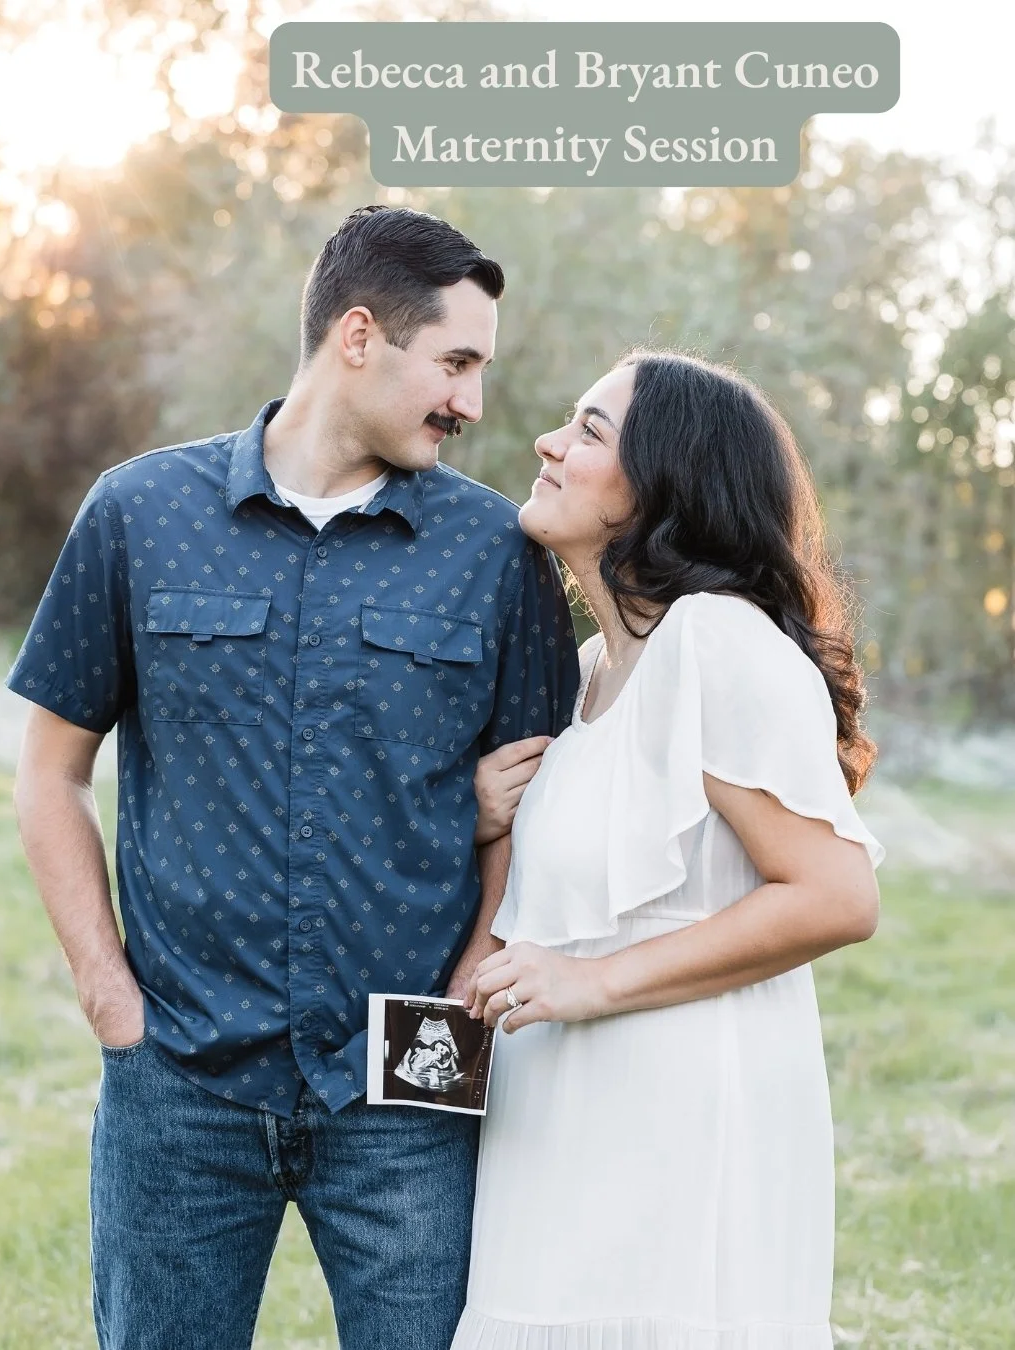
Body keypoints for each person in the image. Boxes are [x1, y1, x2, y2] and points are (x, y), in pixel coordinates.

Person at [6, 204, 579, 1350]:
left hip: (410, 1077)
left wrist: (463, 994)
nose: (473, 403)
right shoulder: (138, 514)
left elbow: (536, 801)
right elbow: (49, 773)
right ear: (358, 336)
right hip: (179, 1072)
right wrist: (110, 998)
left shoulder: (497, 553)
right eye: (455, 363)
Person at [451, 350, 885, 1350]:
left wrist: (590, 982)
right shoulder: (589, 670)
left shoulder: (716, 642)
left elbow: (836, 894)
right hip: (556, 1122)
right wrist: (478, 822)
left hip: (677, 1126)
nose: (548, 444)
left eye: (589, 431)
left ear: (665, 486)